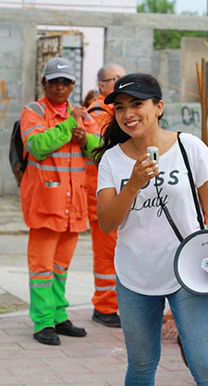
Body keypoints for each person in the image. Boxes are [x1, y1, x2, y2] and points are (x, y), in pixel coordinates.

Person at [94, 73, 208, 385]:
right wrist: (134, 186)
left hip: (190, 273)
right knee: (141, 366)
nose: (128, 114)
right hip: (135, 276)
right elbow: (107, 222)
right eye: (121, 107)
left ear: (159, 107)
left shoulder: (189, 147)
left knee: (206, 366)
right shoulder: (112, 160)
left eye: (137, 104)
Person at [19, 57, 99, 345]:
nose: (60, 87)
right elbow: (37, 146)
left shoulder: (81, 116)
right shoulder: (34, 112)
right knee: (41, 267)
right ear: (44, 84)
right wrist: (70, 127)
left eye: (65, 82)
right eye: (54, 82)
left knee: (61, 266)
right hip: (45, 203)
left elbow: (100, 149)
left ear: (73, 85)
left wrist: (84, 139)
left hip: (73, 204)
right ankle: (42, 322)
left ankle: (58, 315)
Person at [85, 64, 126, 327]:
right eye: (116, 79)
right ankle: (105, 306)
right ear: (102, 86)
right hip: (101, 197)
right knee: (106, 254)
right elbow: (102, 150)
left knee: (117, 252)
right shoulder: (98, 114)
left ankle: (113, 303)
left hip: (118, 195)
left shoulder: (115, 111)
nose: (122, 83)